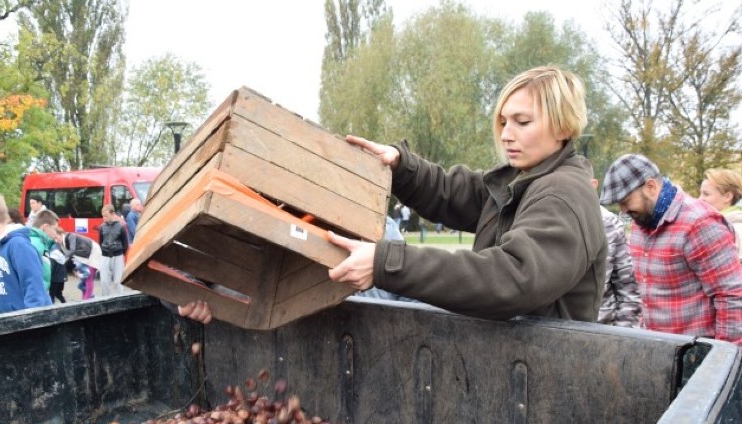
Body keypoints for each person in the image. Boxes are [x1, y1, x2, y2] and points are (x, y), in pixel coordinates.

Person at [178, 66, 607, 326]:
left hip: (548, 367)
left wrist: (385, 262)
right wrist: (400, 166)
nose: (506, 134)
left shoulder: (563, 194)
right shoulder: (522, 179)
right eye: (502, 122)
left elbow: (512, 279)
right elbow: (455, 192)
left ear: (563, 126)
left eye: (522, 122)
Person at [599, 154, 742, 345]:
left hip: (695, 355)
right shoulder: (640, 222)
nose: (623, 210)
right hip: (654, 352)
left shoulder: (700, 223)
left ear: (650, 187)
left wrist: (722, 362)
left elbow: (731, 297)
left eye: (626, 201)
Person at [598, 206, 642, 327]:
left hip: (599, 329)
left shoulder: (608, 223)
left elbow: (628, 288)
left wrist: (621, 337)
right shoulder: (545, 214)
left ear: (595, 185)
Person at [698, 168, 742, 262]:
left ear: (727, 197)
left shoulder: (735, 228)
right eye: (700, 193)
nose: (699, 199)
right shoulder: (723, 224)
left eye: (706, 194)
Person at [61, 229, 102, 300]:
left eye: (56, 238)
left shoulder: (70, 236)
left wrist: (64, 255)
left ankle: (87, 299)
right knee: (83, 282)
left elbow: (72, 251)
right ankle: (86, 298)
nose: (56, 240)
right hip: (88, 255)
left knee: (89, 279)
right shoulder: (65, 240)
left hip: (93, 253)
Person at [98, 204, 129, 296]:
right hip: (105, 256)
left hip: (118, 256)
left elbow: (125, 244)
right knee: (104, 281)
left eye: (106, 216)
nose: (104, 218)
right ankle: (105, 299)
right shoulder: (102, 227)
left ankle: (119, 299)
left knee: (118, 281)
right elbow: (100, 241)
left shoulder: (121, 227)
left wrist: (120, 253)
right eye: (103, 216)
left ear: (113, 214)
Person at [28, 210, 60, 290]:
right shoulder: (37, 245)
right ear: (45, 227)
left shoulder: (41, 243)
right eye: (55, 229)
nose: (56, 233)